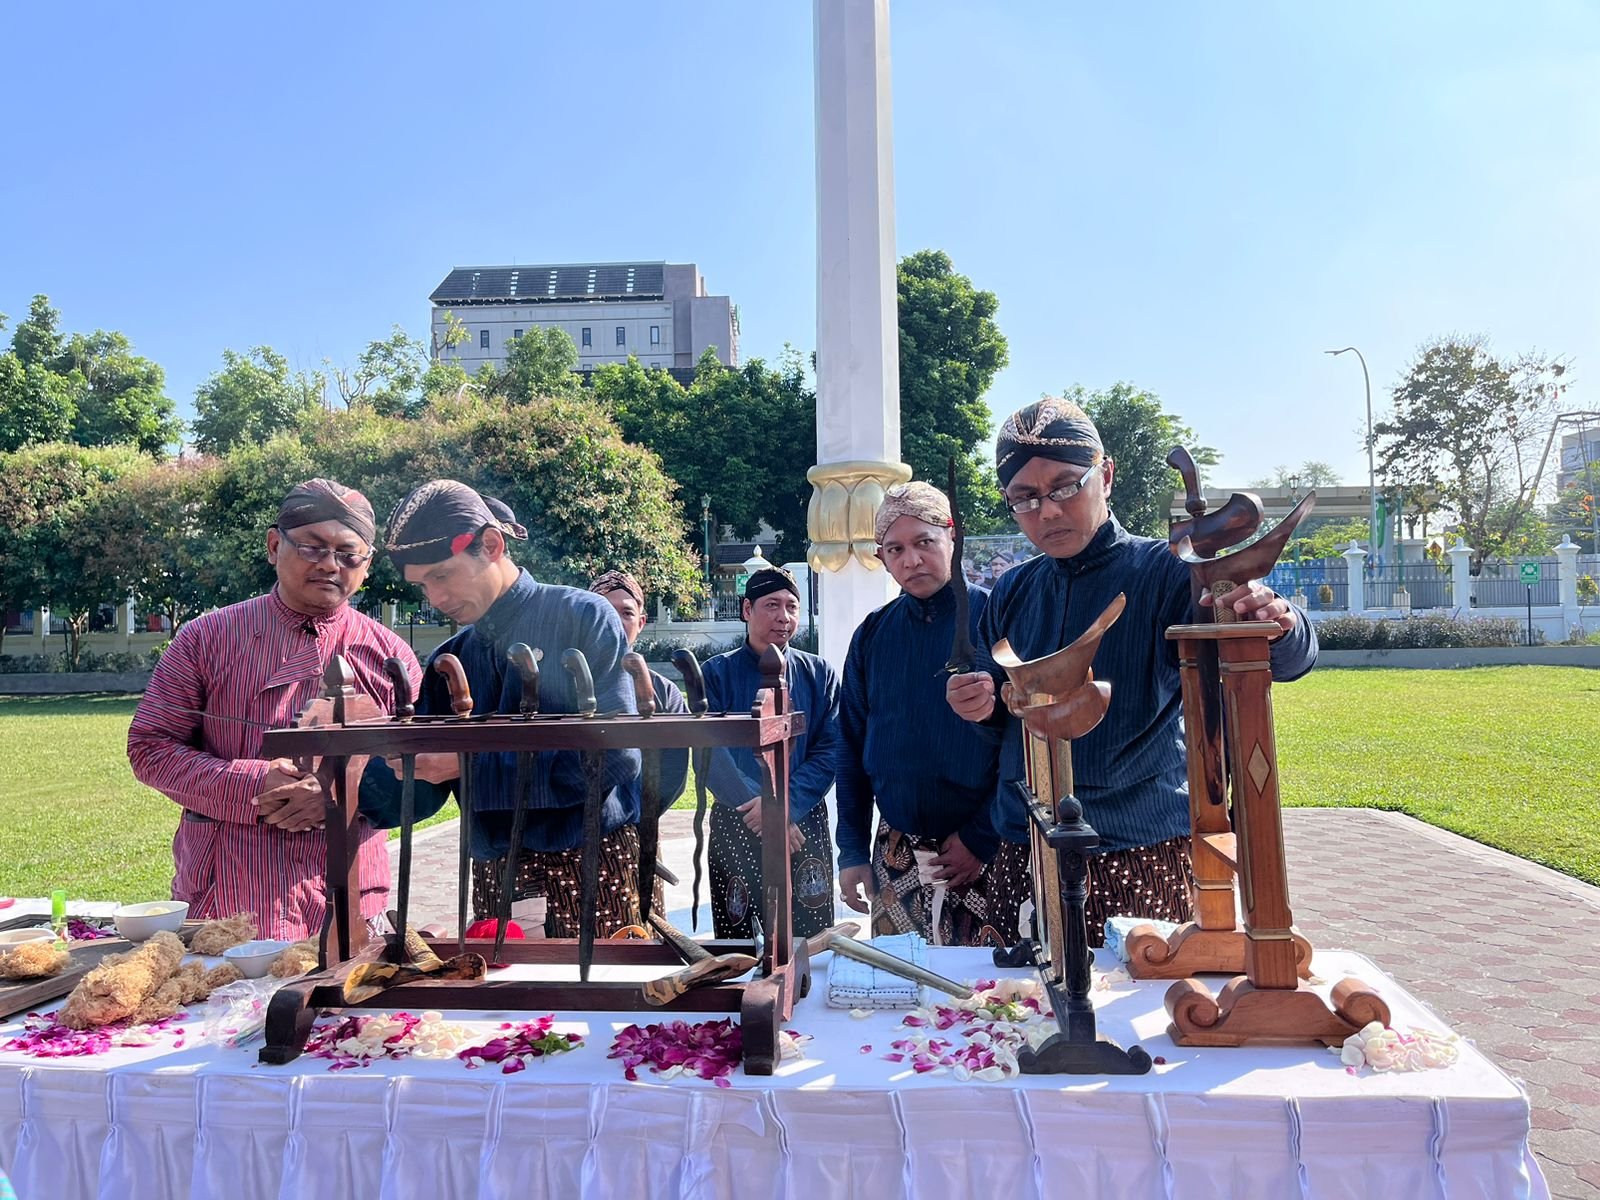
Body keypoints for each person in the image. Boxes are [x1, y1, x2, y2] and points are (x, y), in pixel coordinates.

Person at [946, 397, 1318, 944]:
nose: (1048, 510)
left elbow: (1281, 659)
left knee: (1141, 1022)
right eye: (1025, 497)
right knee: (1019, 1019)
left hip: (1140, 851)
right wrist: (977, 702)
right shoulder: (1014, 589)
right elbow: (1001, 707)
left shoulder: (1168, 572)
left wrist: (1278, 621)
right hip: (1025, 845)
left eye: (1067, 485)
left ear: (1107, 475)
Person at [128, 479, 420, 941]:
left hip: (352, 895)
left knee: (347, 1008)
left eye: (349, 555)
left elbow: (417, 768)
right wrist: (253, 782)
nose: (330, 565)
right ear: (273, 545)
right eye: (312, 547)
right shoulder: (207, 639)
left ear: (367, 566)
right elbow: (150, 748)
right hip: (230, 891)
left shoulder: (391, 656)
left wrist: (337, 793)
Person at [377, 480, 640, 938]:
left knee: (604, 1004)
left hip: (593, 860)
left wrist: (467, 766)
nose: (435, 599)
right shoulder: (450, 656)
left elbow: (616, 754)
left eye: (442, 575)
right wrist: (369, 755)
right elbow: (421, 788)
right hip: (495, 873)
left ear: (492, 545)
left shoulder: (583, 615)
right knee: (503, 1008)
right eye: (422, 585)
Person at [836, 482, 1022, 946]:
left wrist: (982, 836)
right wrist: (853, 850)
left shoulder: (997, 621)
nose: (911, 560)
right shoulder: (873, 634)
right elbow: (851, 744)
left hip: (986, 851)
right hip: (895, 854)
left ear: (951, 536)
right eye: (896, 549)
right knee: (896, 999)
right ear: (882, 557)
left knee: (990, 1003)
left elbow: (1026, 742)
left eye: (924, 542)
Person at [701, 566, 840, 939]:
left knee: (811, 939)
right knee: (739, 943)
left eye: (792, 607)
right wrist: (761, 807)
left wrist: (784, 807)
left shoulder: (819, 673)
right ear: (747, 610)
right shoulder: (715, 673)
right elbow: (708, 751)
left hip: (801, 820)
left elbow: (830, 748)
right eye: (772, 605)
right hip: (738, 817)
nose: (784, 617)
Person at [589, 569, 690, 908]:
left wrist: (632, 812)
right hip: (567, 838)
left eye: (626, 612)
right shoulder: (560, 683)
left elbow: (673, 771)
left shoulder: (663, 692)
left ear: (642, 621)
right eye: (604, 610)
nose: (616, 621)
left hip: (636, 834)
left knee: (637, 938)